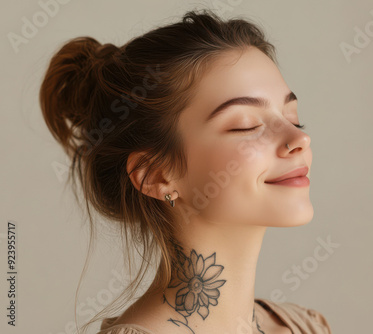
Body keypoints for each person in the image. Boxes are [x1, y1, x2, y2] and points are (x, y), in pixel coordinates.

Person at [39, 8, 332, 334]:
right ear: (156, 175)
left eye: (292, 118)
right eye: (246, 125)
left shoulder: (304, 327)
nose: (299, 138)